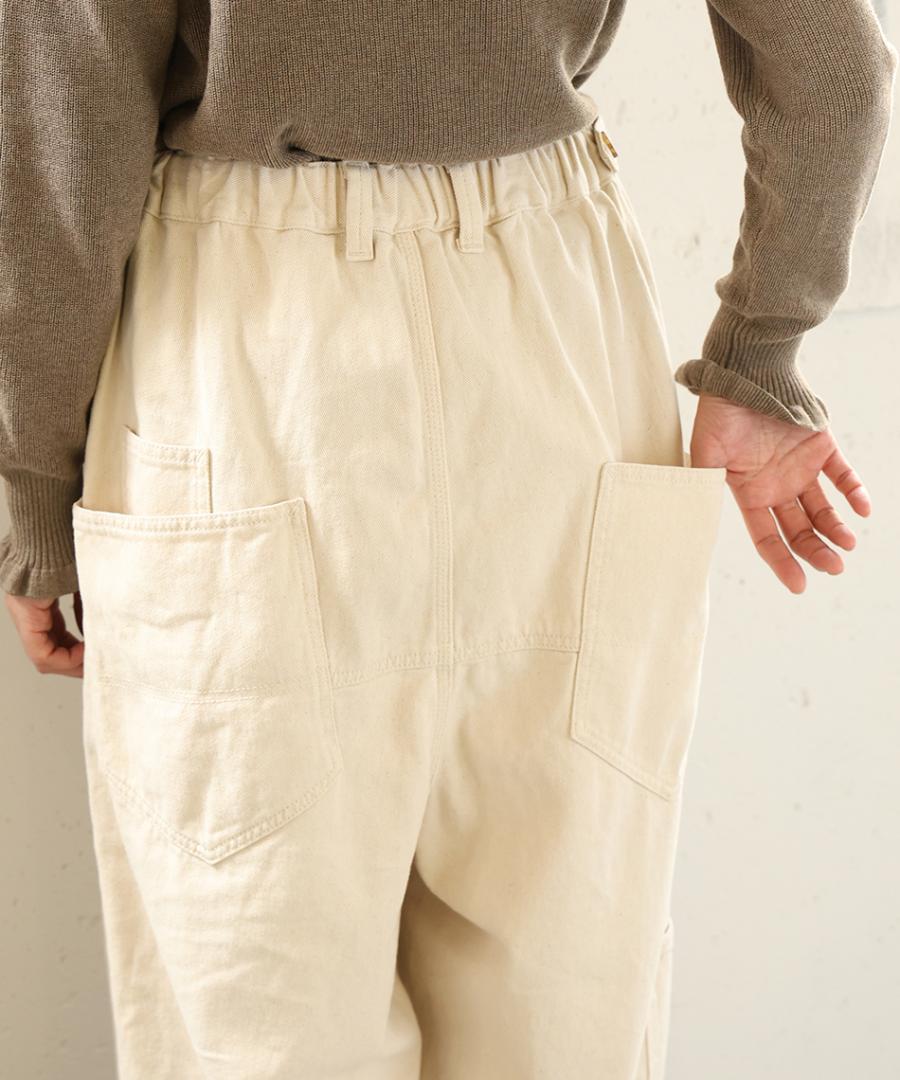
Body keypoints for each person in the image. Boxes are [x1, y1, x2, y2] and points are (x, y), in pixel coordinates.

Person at [1, 2, 895, 1076]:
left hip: (254, 357)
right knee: (565, 1019)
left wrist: (35, 495)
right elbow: (837, 65)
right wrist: (758, 354)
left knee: (266, 1022)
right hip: (563, 334)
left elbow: (69, 118)